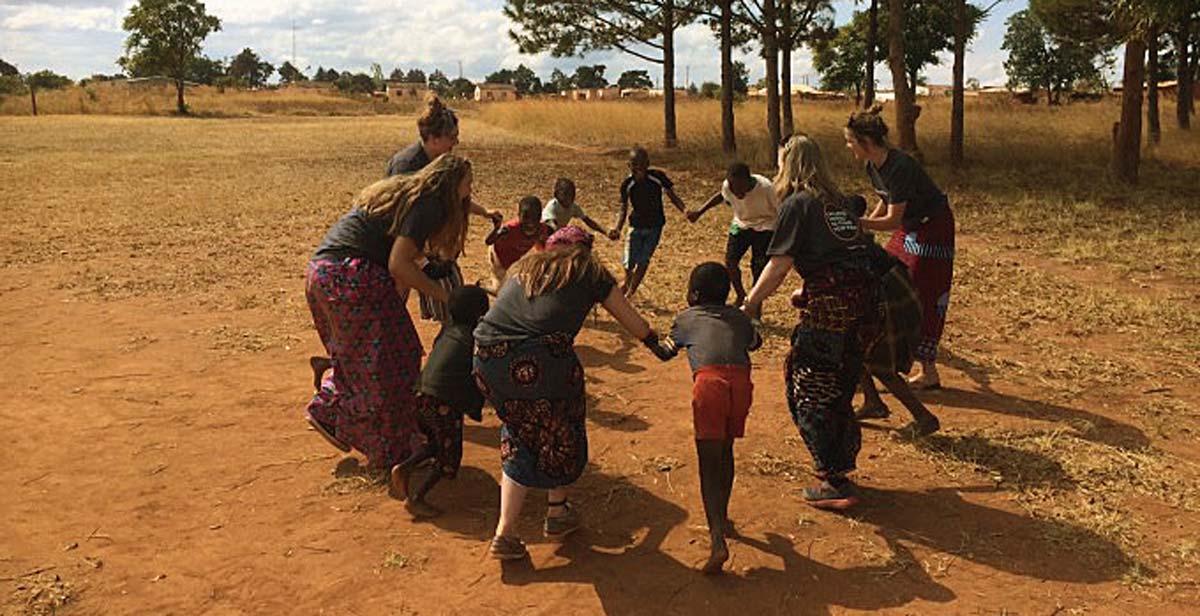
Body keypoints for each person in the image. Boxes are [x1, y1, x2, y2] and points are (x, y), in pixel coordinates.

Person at [473, 225, 665, 560]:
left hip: (486, 358)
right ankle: (557, 511)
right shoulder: (589, 270)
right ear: (585, 250)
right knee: (563, 428)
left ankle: (506, 531)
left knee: (519, 430)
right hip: (541, 361)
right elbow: (631, 322)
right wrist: (656, 343)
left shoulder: (526, 266)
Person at [305, 154, 475, 473]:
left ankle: (334, 411)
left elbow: (396, 264)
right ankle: (384, 444)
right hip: (352, 277)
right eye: (468, 183)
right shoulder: (430, 204)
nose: (470, 189)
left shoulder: (408, 193)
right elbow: (399, 263)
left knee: (366, 359)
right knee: (396, 360)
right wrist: (446, 297)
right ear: (452, 184)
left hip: (323, 274)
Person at [742, 134, 880, 510]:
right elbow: (847, 257)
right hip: (865, 309)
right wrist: (807, 293)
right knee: (840, 387)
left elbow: (778, 265)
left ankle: (834, 481)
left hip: (831, 313)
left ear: (789, 164)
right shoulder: (840, 202)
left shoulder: (798, 205)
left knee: (808, 386)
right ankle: (841, 469)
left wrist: (750, 303)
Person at [650, 262, 761, 575]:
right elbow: (755, 343)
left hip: (709, 384)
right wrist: (745, 315)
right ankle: (723, 518)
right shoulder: (738, 317)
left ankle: (716, 541)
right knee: (726, 452)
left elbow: (665, 352)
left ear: (694, 294)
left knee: (707, 464)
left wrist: (646, 336)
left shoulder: (686, 318)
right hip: (741, 384)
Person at [846, 105, 955, 390]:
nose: (849, 147)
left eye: (850, 141)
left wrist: (860, 224)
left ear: (866, 143)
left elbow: (893, 219)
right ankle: (889, 361)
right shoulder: (873, 165)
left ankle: (928, 371)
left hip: (932, 228)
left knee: (921, 292)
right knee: (889, 283)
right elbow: (887, 200)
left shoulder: (901, 166)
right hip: (910, 226)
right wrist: (868, 221)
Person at [385, 94, 502, 322]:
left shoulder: (438, 163)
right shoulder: (408, 166)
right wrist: (421, 260)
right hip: (400, 243)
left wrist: (484, 212)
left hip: (420, 242)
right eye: (452, 137)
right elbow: (400, 221)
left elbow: (454, 196)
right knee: (397, 297)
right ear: (433, 138)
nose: (455, 144)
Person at [392, 285, 491, 518]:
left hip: (420, 394)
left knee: (435, 443)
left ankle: (405, 467)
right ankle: (416, 498)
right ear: (480, 315)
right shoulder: (474, 339)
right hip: (442, 403)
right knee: (449, 455)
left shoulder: (448, 329)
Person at [687, 162, 782, 306]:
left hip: (765, 226)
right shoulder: (728, 186)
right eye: (732, 187)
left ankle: (755, 305)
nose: (736, 192)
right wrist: (700, 211)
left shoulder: (766, 188)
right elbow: (721, 196)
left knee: (758, 267)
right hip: (741, 224)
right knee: (730, 261)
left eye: (739, 188)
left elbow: (782, 211)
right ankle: (741, 295)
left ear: (748, 181)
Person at [612, 146, 687, 298]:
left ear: (648, 164)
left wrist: (685, 210)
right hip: (635, 226)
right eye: (634, 165)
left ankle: (631, 291)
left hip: (655, 226)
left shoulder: (657, 177)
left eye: (641, 164)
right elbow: (623, 208)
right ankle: (627, 282)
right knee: (629, 260)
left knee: (644, 259)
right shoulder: (627, 184)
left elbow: (672, 196)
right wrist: (618, 228)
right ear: (629, 166)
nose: (638, 168)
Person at [484, 196, 551, 292]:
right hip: (498, 256)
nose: (530, 223)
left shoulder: (541, 229)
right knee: (499, 290)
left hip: (513, 260)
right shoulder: (510, 229)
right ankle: (483, 285)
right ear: (519, 216)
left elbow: (540, 244)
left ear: (540, 217)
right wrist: (497, 230)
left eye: (534, 219)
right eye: (525, 219)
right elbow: (488, 241)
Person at [541, 177, 613, 236]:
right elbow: (550, 225)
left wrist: (606, 232)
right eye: (566, 194)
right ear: (556, 194)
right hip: (544, 236)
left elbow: (587, 221)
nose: (569, 198)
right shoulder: (552, 206)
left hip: (558, 234)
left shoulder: (573, 207)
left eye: (571, 194)